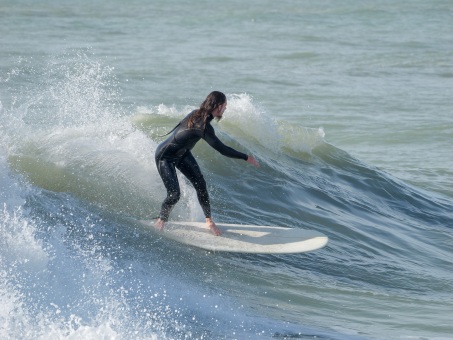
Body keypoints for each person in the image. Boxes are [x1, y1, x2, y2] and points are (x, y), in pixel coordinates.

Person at [154, 91, 259, 236]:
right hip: (165, 156)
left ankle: (209, 221)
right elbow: (222, 149)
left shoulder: (197, 114)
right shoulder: (203, 125)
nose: (226, 109)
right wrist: (246, 157)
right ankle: (161, 221)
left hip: (182, 153)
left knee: (200, 184)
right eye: (225, 106)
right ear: (219, 106)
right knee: (174, 194)